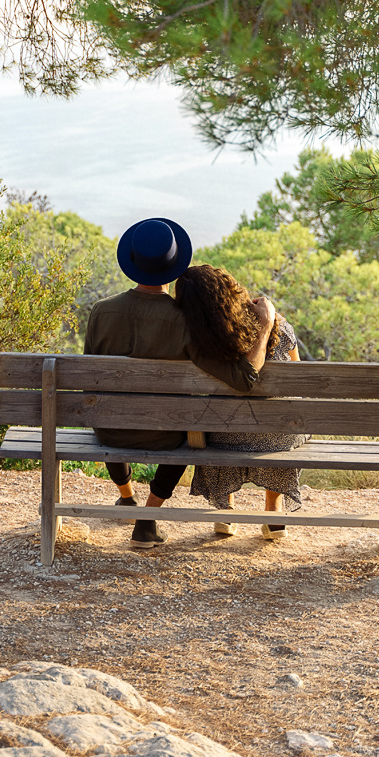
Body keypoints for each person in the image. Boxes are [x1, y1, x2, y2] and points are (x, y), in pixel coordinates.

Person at [84, 218, 278, 549]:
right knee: (188, 436)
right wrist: (265, 324)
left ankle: (127, 498)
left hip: (109, 429)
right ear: (173, 266)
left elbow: (91, 380)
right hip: (164, 436)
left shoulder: (100, 313)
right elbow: (245, 378)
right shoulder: (186, 323)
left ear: (131, 262)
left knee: (111, 406)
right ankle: (145, 519)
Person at [174, 264, 306, 540]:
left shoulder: (197, 342)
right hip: (277, 436)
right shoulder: (279, 325)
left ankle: (226, 508)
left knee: (218, 421)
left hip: (223, 435)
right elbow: (298, 379)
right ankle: (273, 510)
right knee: (281, 424)